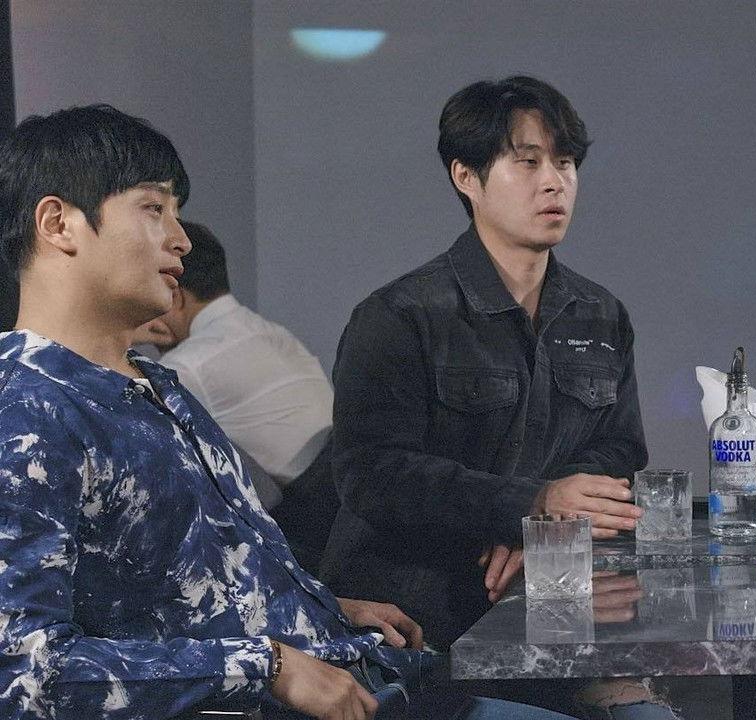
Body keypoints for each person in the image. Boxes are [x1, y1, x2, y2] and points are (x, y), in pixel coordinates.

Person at [0, 103, 572, 720]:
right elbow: (24, 671)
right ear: (58, 224)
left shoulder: (156, 385)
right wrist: (268, 664)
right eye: (152, 208)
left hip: (376, 675)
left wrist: (317, 608)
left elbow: (191, 582)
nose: (181, 239)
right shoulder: (26, 409)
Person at [322, 77, 665, 717]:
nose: (554, 182)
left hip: (552, 605)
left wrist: (543, 527)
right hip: (420, 620)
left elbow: (620, 450)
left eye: (565, 162)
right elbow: (372, 475)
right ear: (467, 177)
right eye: (527, 162)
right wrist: (529, 504)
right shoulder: (400, 314)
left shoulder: (599, 312)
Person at [134, 219, 334, 503]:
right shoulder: (273, 333)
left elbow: (127, 440)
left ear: (174, 294)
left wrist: (126, 335)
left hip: (302, 516)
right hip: (336, 504)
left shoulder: (191, 366)